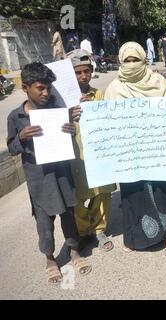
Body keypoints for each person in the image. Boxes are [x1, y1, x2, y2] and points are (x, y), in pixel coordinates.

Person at [6, 62, 91, 284]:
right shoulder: (16, 118)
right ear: (25, 87)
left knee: (68, 216)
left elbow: (69, 140)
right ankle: (50, 259)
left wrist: (71, 131)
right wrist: (21, 138)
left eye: (48, 88)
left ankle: (74, 252)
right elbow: (12, 149)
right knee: (44, 222)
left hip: (63, 175)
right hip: (39, 181)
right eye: (40, 88)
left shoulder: (57, 109)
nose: (46, 93)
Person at [104, 42, 166, 251]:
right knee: (134, 193)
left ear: (143, 60)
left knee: (163, 190)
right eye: (127, 61)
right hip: (131, 153)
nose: (131, 64)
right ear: (120, 61)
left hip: (158, 148)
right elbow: (107, 122)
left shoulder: (158, 81)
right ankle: (134, 237)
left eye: (135, 60)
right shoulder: (114, 88)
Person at [65, 49, 117, 252]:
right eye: (78, 73)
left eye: (86, 71)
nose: (83, 76)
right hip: (74, 157)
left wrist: (93, 107)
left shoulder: (99, 95)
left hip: (98, 154)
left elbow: (108, 120)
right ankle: (83, 230)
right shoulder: (60, 101)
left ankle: (99, 230)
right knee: (76, 196)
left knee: (102, 192)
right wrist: (68, 115)